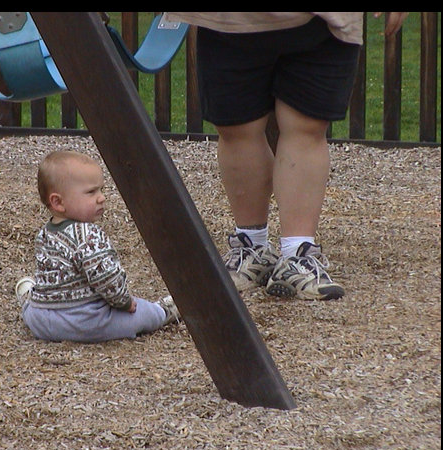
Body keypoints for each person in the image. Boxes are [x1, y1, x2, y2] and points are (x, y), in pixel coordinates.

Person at [164, 12, 408, 300]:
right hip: (228, 20)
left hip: (324, 23)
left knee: (306, 127)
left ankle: (298, 254)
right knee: (237, 128)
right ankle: (252, 246)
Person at [15, 150, 179, 343]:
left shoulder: (45, 233)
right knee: (141, 313)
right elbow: (107, 278)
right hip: (85, 322)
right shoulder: (88, 236)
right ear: (58, 202)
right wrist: (124, 302)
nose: (101, 198)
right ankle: (164, 311)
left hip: (43, 322)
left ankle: (28, 296)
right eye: (91, 192)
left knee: (35, 304)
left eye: (101, 190)